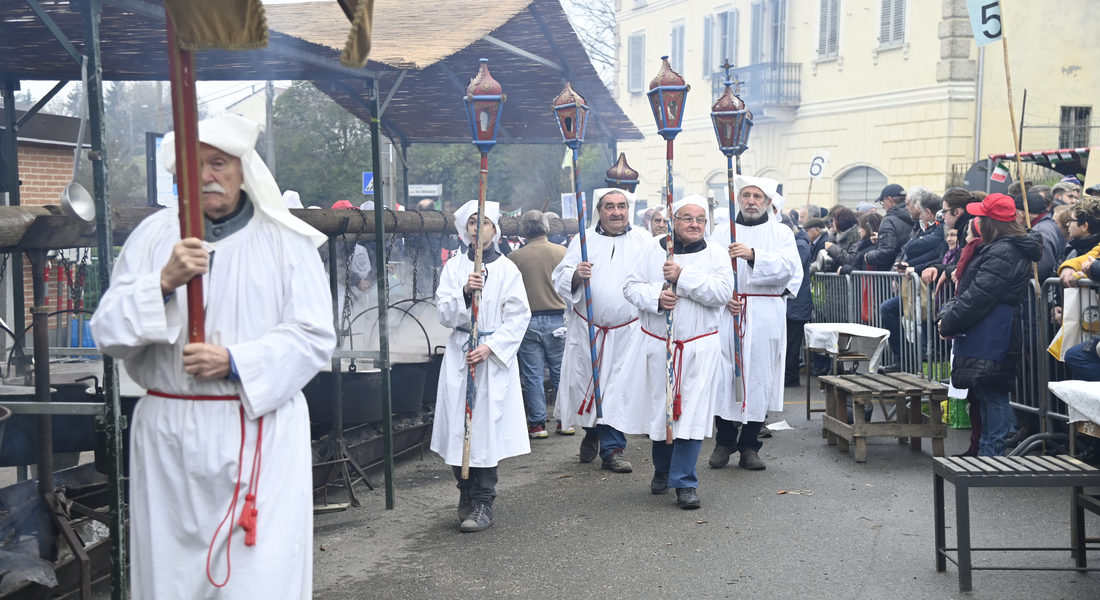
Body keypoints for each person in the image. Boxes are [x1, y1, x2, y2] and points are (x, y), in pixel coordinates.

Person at [90, 115, 335, 598]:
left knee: (256, 578)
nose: (206, 176)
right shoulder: (152, 239)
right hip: (169, 443)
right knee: (171, 580)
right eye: (192, 165)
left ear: (243, 170)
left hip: (255, 432)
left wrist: (237, 360)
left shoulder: (286, 242)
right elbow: (108, 333)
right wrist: (161, 282)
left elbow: (314, 337)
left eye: (218, 163)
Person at [624, 196, 734, 509]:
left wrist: (682, 277)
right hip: (660, 346)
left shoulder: (716, 253)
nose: (695, 224)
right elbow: (630, 287)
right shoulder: (650, 249)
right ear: (674, 220)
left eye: (700, 218)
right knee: (663, 412)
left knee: (693, 416)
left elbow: (722, 293)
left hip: (699, 348)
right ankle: (663, 468)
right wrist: (656, 297)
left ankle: (685, 482)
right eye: (687, 218)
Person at [431, 200, 532, 533]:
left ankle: (483, 501)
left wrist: (491, 346)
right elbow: (444, 312)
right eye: (473, 222)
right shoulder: (454, 267)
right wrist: (464, 292)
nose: (478, 228)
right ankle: (464, 492)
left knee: (485, 429)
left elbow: (519, 317)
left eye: (484, 222)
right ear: (465, 228)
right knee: (457, 428)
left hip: (491, 359)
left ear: (494, 228)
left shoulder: (507, 270)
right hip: (461, 354)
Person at [937, 193, 1043, 457]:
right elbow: (969, 292)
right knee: (984, 392)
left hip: (995, 329)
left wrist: (948, 321)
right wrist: (948, 315)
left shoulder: (1005, 250)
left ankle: (991, 456)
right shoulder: (996, 246)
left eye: (980, 216)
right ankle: (985, 452)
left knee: (992, 394)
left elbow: (978, 295)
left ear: (991, 222)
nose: (976, 220)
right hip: (986, 327)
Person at [553, 189, 650, 472]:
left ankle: (613, 450)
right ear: (599, 210)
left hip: (628, 331)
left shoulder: (643, 240)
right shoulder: (582, 240)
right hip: (588, 330)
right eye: (610, 206)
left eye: (622, 206)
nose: (616, 212)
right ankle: (591, 432)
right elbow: (560, 275)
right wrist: (575, 275)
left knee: (617, 390)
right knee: (586, 385)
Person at [709, 176, 802, 471]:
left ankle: (750, 445)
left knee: (759, 376)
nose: (751, 201)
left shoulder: (781, 233)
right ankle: (724, 441)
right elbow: (707, 270)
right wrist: (723, 296)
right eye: (746, 195)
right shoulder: (722, 231)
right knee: (724, 376)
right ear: (738, 199)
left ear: (767, 202)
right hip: (728, 311)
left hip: (763, 311)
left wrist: (752, 256)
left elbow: (790, 269)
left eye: (757, 197)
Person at [508, 210, 568, 439]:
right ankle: (565, 421)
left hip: (528, 322)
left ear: (524, 231)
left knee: (532, 376)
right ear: (547, 228)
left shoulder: (515, 258)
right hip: (557, 320)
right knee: (561, 373)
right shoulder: (562, 252)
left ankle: (537, 425)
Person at [786, 214, 812, 387]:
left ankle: (791, 376)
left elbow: (793, 268)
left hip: (797, 303)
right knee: (788, 342)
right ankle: (788, 374)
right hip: (794, 303)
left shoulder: (800, 245)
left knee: (792, 344)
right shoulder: (798, 243)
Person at [864, 183, 914, 270]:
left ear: (890, 200)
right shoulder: (916, 216)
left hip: (893, 274)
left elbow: (886, 253)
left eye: (883, 202)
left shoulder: (888, 221)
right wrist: (881, 239)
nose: (883, 206)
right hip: (911, 271)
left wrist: (869, 256)